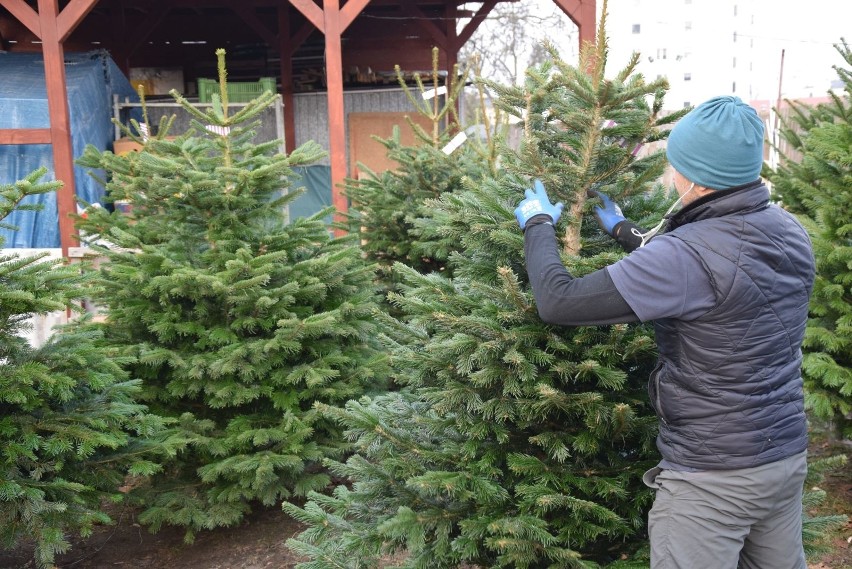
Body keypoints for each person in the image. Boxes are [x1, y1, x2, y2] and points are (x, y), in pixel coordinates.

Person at [514, 95, 815, 569]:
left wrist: (536, 224)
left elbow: (559, 301)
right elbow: (724, 267)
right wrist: (628, 234)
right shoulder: (787, 228)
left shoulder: (684, 258)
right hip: (783, 458)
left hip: (712, 480)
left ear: (694, 176)